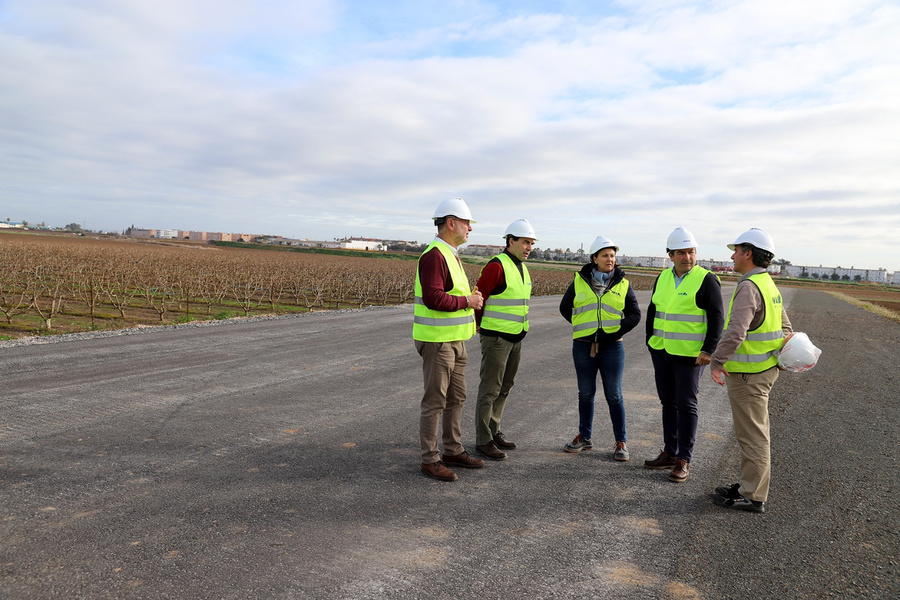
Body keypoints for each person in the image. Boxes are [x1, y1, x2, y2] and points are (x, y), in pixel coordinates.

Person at [710, 228, 792, 512]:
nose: (732, 256)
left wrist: (717, 362)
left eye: (736, 250)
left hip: (748, 376)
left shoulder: (748, 286)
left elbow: (736, 331)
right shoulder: (768, 284)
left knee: (753, 435)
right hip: (764, 370)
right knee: (754, 432)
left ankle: (753, 496)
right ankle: (749, 486)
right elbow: (787, 329)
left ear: (748, 253)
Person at [413, 197, 486, 482]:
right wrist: (468, 301)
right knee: (435, 402)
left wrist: (469, 305)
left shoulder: (451, 254)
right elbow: (433, 298)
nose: (470, 229)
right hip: (437, 341)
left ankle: (452, 450)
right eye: (467, 223)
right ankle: (430, 460)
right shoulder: (435, 255)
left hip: (455, 340)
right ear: (451, 223)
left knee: (456, 397)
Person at [644, 227, 724, 482]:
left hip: (691, 356)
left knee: (686, 405)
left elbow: (717, 318)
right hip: (662, 350)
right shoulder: (663, 278)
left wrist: (708, 349)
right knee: (668, 402)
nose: (687, 257)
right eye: (681, 253)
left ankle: (683, 459)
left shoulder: (706, 279)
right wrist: (650, 341)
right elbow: (653, 311)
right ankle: (669, 451)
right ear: (670, 255)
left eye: (691, 252)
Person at [559, 235, 641, 461]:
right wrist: (585, 329)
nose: (610, 259)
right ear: (594, 258)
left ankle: (621, 442)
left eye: (613, 255)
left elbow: (635, 315)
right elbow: (565, 308)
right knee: (585, 393)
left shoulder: (623, 284)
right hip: (583, 346)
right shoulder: (578, 281)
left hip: (612, 348)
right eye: (605, 255)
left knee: (614, 395)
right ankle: (585, 438)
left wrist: (615, 331)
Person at [472, 219, 537, 461]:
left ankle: (493, 429)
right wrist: (479, 325)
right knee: (490, 389)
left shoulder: (521, 266)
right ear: (511, 241)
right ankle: (483, 440)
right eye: (525, 242)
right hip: (497, 338)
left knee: (505, 387)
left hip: (515, 337)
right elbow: (479, 297)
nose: (529, 247)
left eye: (531, 243)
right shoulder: (497, 266)